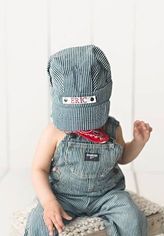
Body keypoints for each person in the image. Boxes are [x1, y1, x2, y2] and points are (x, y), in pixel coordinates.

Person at [24, 45, 152, 236]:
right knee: (39, 224)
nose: (82, 124)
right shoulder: (54, 132)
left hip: (107, 195)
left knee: (132, 218)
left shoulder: (112, 129)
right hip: (64, 195)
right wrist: (49, 202)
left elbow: (122, 156)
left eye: (88, 117)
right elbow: (38, 169)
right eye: (74, 118)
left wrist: (138, 142)